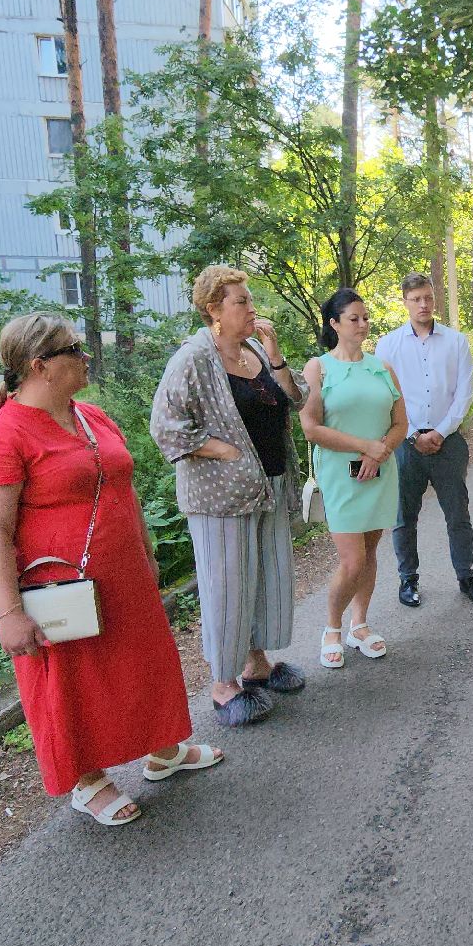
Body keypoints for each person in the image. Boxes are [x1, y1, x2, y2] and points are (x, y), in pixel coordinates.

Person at [0, 312, 221, 828]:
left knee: (141, 663)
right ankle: (86, 780)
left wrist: (145, 552)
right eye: (74, 349)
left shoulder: (92, 417)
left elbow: (124, 490)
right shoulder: (0, 436)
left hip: (124, 577)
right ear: (40, 366)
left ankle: (162, 751)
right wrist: (7, 612)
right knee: (71, 683)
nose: (86, 357)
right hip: (59, 589)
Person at [150, 265, 308, 728]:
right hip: (220, 497)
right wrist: (222, 449)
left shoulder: (253, 349)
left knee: (261, 581)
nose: (251, 307)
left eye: (248, 299)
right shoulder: (194, 358)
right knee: (226, 588)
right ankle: (223, 686)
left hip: (268, 486)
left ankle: (255, 663)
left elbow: (294, 400)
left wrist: (276, 355)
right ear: (214, 310)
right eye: (241, 301)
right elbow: (165, 427)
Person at [300, 288, 408, 669]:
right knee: (352, 561)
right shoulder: (318, 368)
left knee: (371, 552)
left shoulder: (382, 367)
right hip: (341, 476)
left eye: (365, 318)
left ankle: (359, 625)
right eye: (353, 319)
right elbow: (311, 428)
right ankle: (331, 627)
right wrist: (365, 445)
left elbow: (400, 423)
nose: (362, 325)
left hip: (379, 470)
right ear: (334, 324)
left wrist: (380, 450)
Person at [374, 272, 473, 609]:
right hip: (405, 444)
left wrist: (440, 431)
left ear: (434, 297)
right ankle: (408, 579)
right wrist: (411, 433)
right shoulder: (388, 345)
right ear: (405, 302)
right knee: (403, 516)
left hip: (447, 442)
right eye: (415, 299)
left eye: (428, 297)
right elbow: (387, 394)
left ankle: (466, 575)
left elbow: (464, 393)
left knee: (458, 513)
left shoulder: (456, 342)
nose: (423, 304)